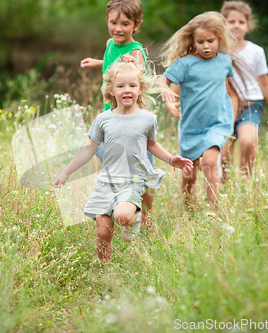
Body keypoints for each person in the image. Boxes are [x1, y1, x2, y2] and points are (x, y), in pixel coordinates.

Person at [53, 55, 193, 262]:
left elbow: (151, 144)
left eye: (132, 85)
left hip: (132, 180)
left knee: (122, 216)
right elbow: (88, 149)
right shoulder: (103, 120)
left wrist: (171, 159)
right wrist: (65, 173)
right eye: (121, 86)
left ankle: (134, 219)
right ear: (111, 90)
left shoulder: (147, 119)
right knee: (103, 232)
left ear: (140, 89)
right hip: (106, 181)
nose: (127, 90)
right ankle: (105, 270)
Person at [80, 0, 156, 226]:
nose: (118, 28)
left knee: (141, 173)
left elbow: (139, 71)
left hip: (133, 121)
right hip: (111, 116)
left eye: (125, 24)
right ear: (107, 22)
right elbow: (112, 62)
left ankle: (146, 216)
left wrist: (132, 63)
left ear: (137, 25)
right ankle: (117, 207)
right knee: (111, 167)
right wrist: (97, 62)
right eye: (114, 22)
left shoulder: (135, 50)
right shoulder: (110, 43)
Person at [159, 11, 239, 215]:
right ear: (192, 41)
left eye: (210, 41)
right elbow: (163, 80)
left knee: (210, 161)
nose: (206, 46)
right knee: (190, 174)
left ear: (219, 39)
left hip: (218, 124)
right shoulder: (185, 64)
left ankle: (213, 211)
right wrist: (167, 93)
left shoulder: (225, 62)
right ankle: (189, 208)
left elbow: (228, 89)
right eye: (200, 41)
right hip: (191, 127)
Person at [220, 1, 268, 178]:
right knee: (223, 153)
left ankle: (247, 180)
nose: (236, 25)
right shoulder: (218, 50)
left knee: (248, 141)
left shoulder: (256, 51)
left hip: (250, 105)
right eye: (231, 21)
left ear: (248, 25)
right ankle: (223, 187)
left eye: (241, 22)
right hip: (224, 107)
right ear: (223, 24)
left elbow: (265, 83)